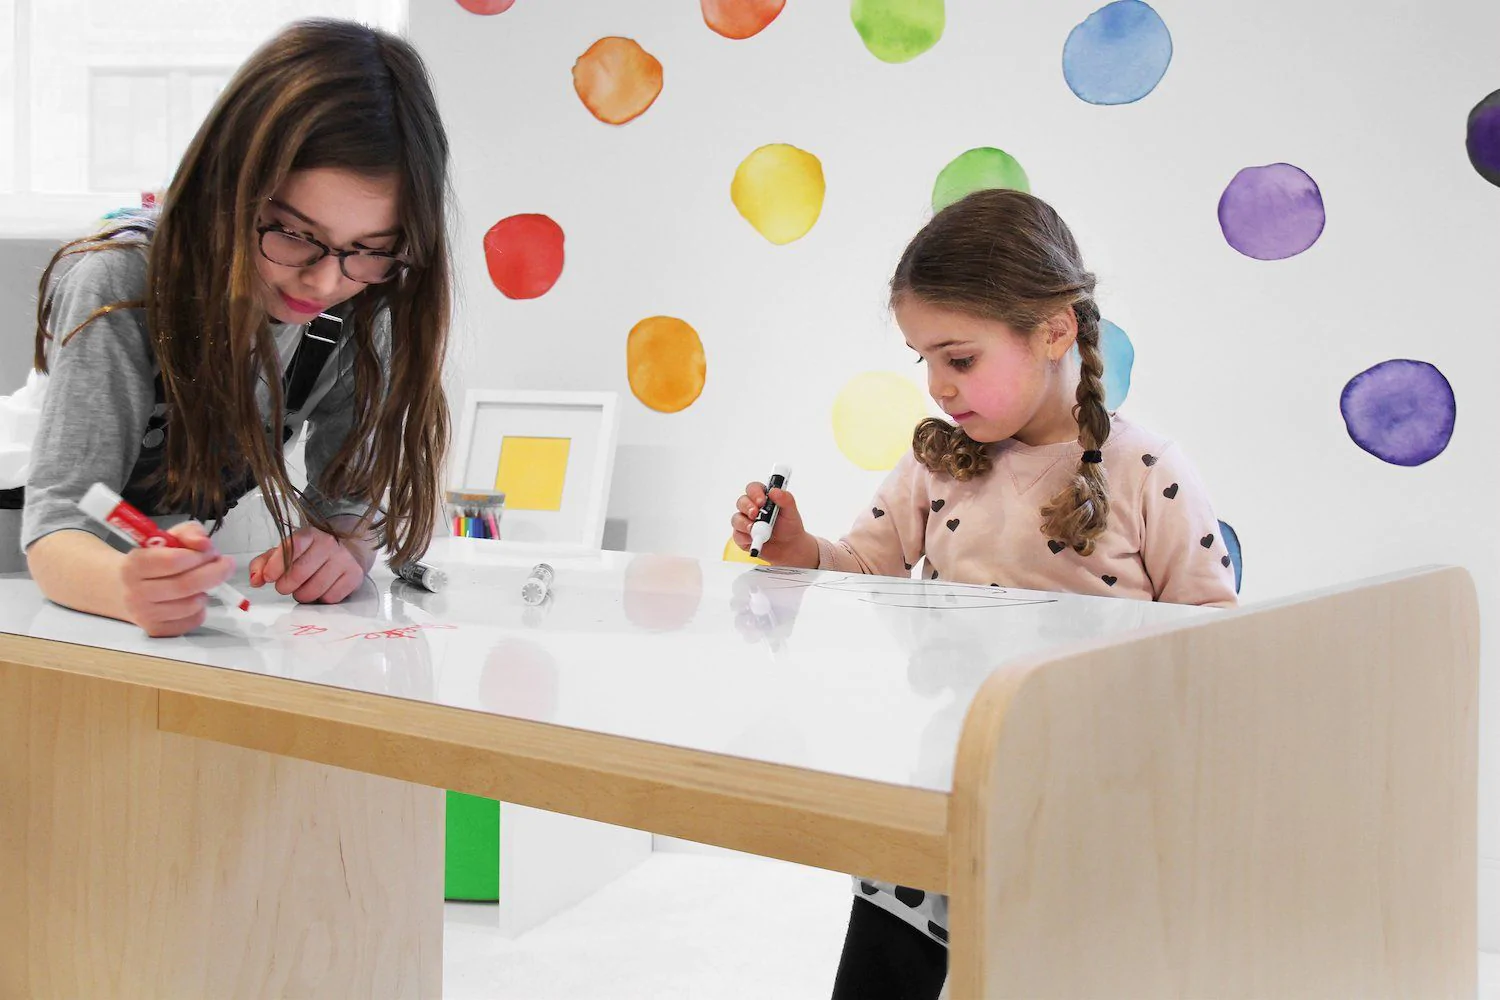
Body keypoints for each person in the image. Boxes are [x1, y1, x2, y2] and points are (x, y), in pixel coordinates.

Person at [728, 187, 1238, 1000]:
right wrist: (795, 547)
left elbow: (1217, 637)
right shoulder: (937, 464)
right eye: (922, 359)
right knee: (882, 968)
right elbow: (864, 568)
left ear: (1055, 330)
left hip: (1094, 796)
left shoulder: (1148, 471)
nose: (936, 384)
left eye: (958, 358)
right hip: (945, 776)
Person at [22, 18, 452, 638]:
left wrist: (340, 552)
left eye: (370, 247)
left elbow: (350, 513)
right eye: (294, 234)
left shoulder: (365, 301)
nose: (326, 283)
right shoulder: (119, 285)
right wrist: (125, 586)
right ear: (225, 189)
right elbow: (61, 522)